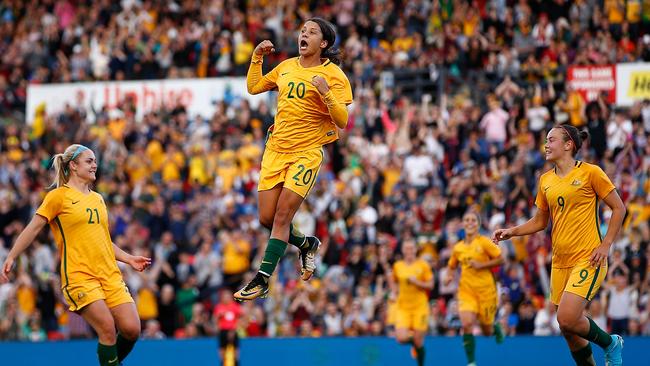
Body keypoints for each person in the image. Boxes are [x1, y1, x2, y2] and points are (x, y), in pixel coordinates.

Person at [234, 18, 353, 301]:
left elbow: (343, 121)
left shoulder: (334, 75)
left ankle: (262, 279)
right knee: (267, 218)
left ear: (323, 43)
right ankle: (307, 244)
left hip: (307, 153)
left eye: (312, 32)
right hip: (276, 151)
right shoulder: (286, 67)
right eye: (303, 31)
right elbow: (254, 88)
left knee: (283, 216)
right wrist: (256, 58)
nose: (304, 34)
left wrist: (326, 93)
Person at [1, 144, 151, 366]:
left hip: (109, 274)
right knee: (107, 328)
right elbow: (33, 228)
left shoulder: (98, 199)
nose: (94, 165)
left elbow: (102, 240)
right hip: (79, 276)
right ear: (73, 165)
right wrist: (12, 255)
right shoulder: (58, 197)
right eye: (89, 161)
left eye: (95, 161)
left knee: (131, 329)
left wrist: (128, 258)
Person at [493, 125, 626, 366]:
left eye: (551, 140)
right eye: (545, 140)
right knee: (568, 329)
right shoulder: (545, 180)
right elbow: (540, 221)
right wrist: (511, 231)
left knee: (566, 318)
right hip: (560, 262)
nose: (546, 144)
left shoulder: (591, 172)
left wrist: (606, 245)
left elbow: (619, 208)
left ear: (568, 145)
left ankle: (610, 343)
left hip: (589, 257)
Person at [446, 210, 505, 366]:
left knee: (486, 332)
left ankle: (495, 326)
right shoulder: (458, 247)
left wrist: (481, 265)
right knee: (466, 324)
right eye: (467, 220)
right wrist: (449, 276)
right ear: (462, 224)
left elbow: (501, 259)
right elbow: (451, 265)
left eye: (473, 220)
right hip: (466, 291)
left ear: (478, 224)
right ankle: (471, 361)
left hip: (486, 291)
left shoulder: (484, 242)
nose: (470, 222)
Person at [388, 239, 434, 366]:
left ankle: (420, 363)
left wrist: (417, 282)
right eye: (406, 248)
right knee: (401, 338)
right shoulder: (398, 266)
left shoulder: (423, 265)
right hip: (403, 307)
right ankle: (414, 343)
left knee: (419, 341)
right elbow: (393, 280)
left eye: (411, 248)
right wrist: (393, 292)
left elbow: (431, 285)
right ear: (403, 250)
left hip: (420, 307)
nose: (409, 251)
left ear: (415, 249)